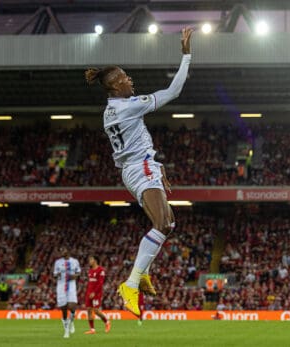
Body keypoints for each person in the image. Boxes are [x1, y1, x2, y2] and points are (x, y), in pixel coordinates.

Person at [84, 27, 193, 317]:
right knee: (162, 224)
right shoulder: (129, 106)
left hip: (139, 168)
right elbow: (174, 91)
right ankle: (131, 283)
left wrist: (157, 167)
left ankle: (142, 273)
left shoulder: (110, 110)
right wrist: (186, 55)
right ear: (116, 86)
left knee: (169, 224)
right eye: (125, 78)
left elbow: (134, 144)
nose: (130, 80)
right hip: (140, 169)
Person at [53, 247, 81, 338]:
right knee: (64, 308)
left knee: (72, 306)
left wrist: (75, 276)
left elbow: (79, 272)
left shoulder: (75, 261)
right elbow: (54, 274)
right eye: (60, 251)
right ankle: (66, 331)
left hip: (71, 285)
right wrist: (57, 275)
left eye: (63, 250)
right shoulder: (57, 262)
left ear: (67, 251)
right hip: (61, 286)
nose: (61, 252)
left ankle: (72, 321)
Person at [84, 255, 111, 334]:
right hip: (89, 293)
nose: (89, 261)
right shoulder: (90, 271)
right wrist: (88, 292)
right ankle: (92, 329)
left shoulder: (101, 270)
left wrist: (94, 292)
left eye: (91, 259)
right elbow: (90, 283)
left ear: (95, 260)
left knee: (96, 311)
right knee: (89, 310)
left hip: (96, 294)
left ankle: (107, 322)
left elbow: (100, 283)